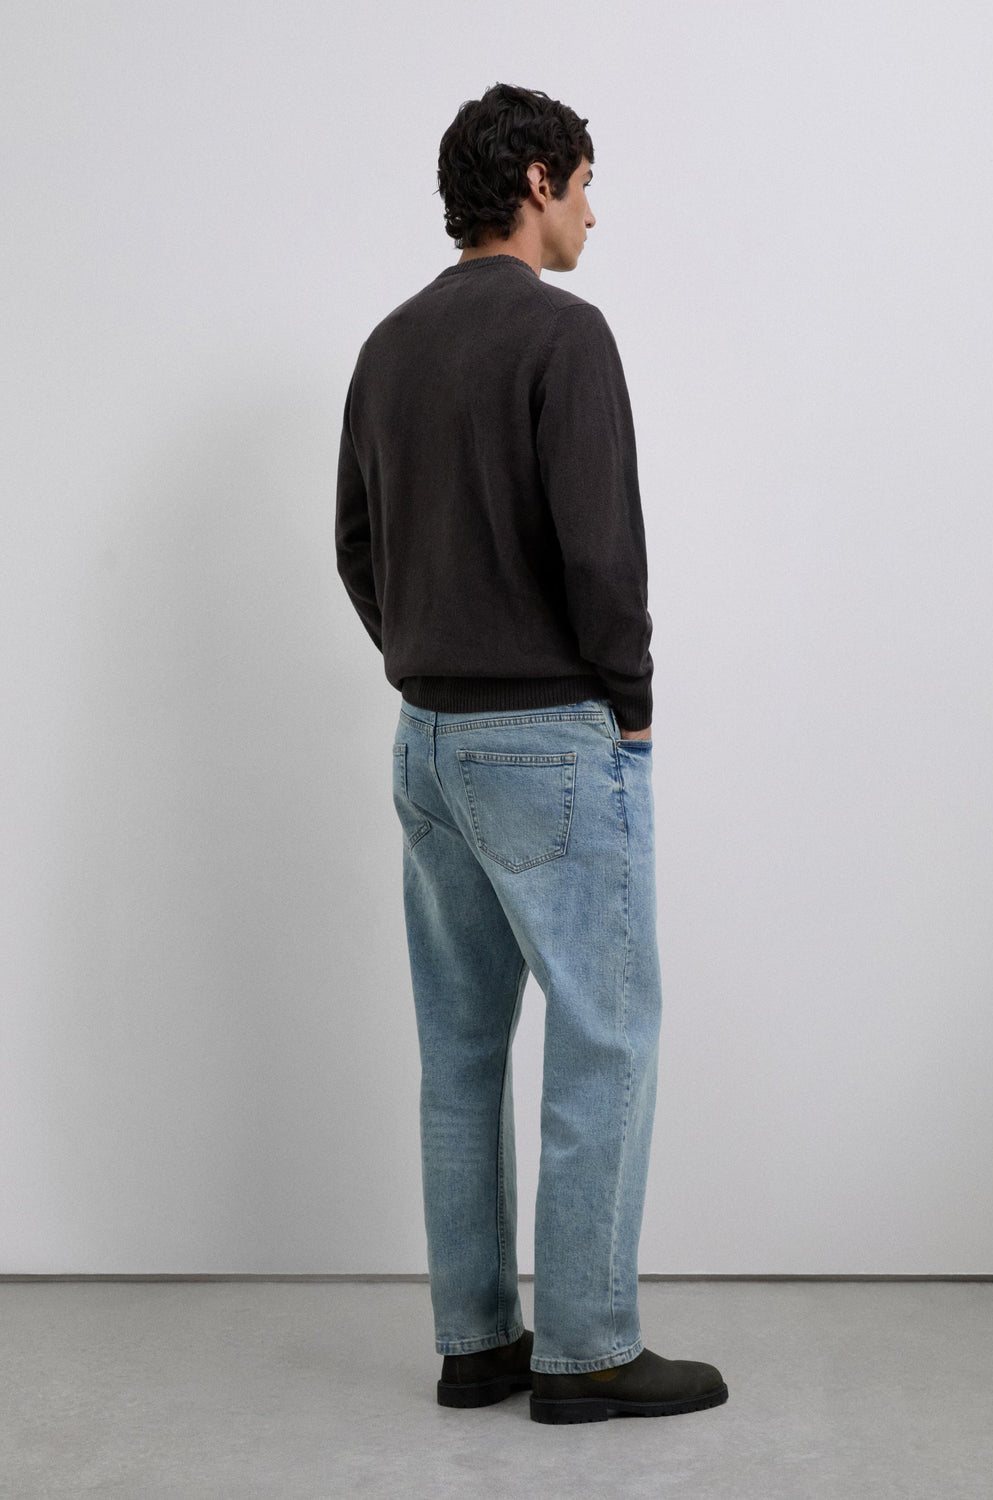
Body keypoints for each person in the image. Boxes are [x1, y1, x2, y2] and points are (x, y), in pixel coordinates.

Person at [335, 82, 727, 1424]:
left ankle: (476, 1344)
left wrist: (424, 655)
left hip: (428, 741)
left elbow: (356, 544)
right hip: (553, 738)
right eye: (587, 184)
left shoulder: (389, 343)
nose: (593, 215)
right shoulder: (565, 334)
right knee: (605, 1037)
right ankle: (588, 1350)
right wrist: (630, 697)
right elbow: (600, 547)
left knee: (457, 1050)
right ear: (540, 180)